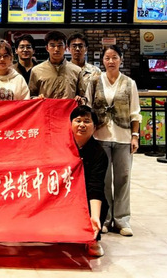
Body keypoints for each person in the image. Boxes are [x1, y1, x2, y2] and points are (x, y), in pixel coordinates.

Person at [86, 45, 142, 237]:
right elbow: (88, 107)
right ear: (102, 60)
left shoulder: (129, 83)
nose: (111, 61)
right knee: (103, 180)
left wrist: (135, 136)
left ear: (121, 59)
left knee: (123, 179)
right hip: (100, 137)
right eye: (107, 58)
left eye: (115, 57)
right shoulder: (94, 81)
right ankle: (105, 219)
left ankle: (122, 220)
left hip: (123, 137)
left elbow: (135, 112)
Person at [70, 105, 109, 258]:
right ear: (70, 124)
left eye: (87, 121)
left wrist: (95, 217)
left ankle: (92, 238)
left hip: (85, 194)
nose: (82, 125)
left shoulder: (99, 154)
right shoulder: (61, 146)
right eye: (78, 120)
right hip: (64, 193)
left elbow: (96, 187)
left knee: (102, 203)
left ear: (95, 127)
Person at [28, 30, 87, 102]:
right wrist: (36, 98)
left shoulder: (76, 70)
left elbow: (83, 97)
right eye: (52, 45)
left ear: (65, 48)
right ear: (47, 48)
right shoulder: (36, 70)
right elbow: (30, 96)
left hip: (69, 109)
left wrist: (80, 99)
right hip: (46, 108)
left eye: (60, 45)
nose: (56, 49)